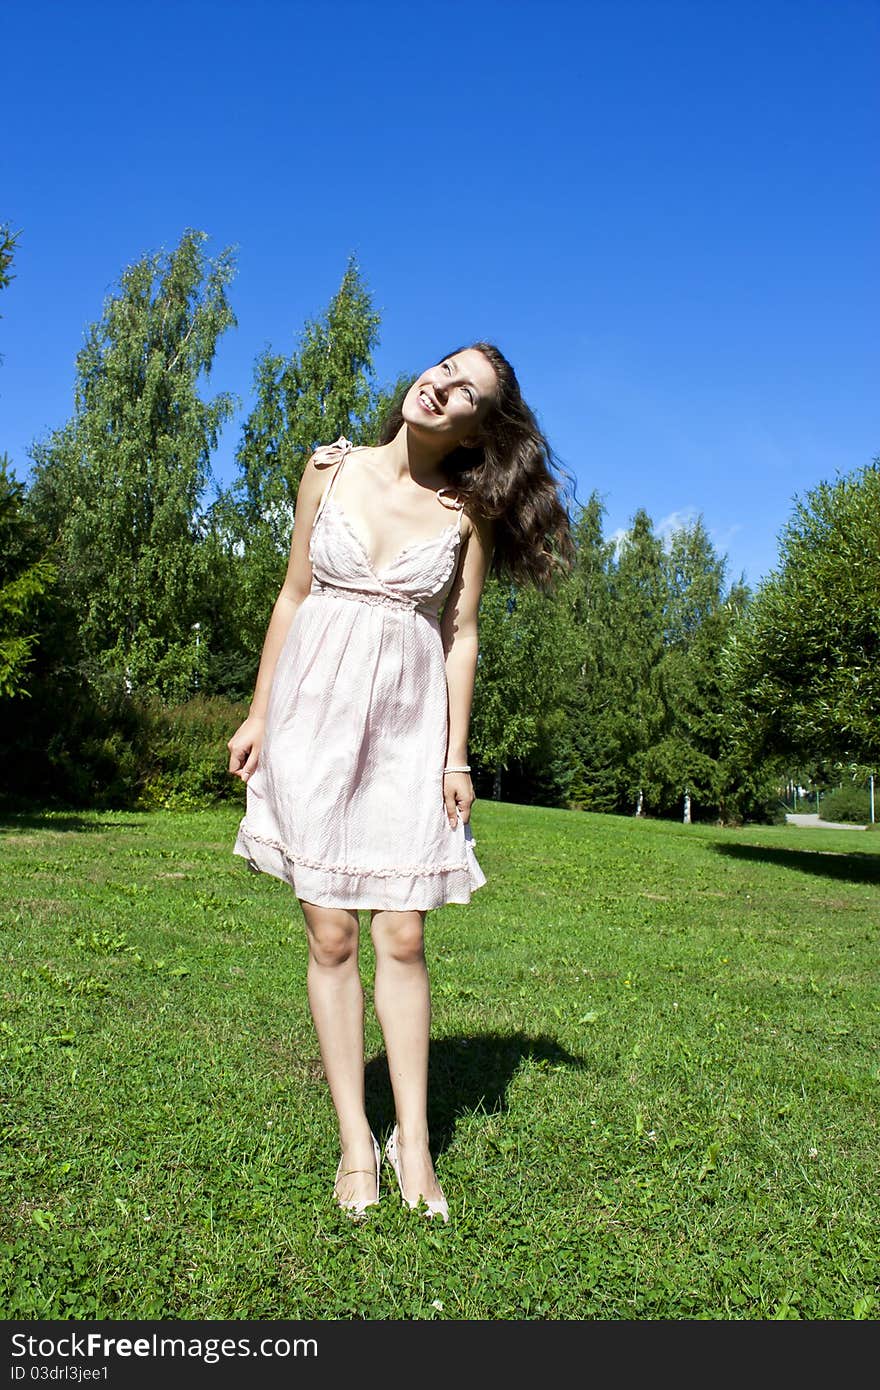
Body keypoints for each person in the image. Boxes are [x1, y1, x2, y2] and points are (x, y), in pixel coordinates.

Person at [227, 341, 574, 1222]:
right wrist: (259, 714)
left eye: (466, 391)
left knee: (406, 936)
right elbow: (293, 594)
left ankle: (412, 1139)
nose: (441, 385)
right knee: (332, 935)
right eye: (443, 368)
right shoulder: (328, 470)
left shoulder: (467, 512)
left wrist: (456, 756)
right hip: (313, 716)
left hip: (407, 730)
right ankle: (356, 1145)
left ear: (477, 426)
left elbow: (461, 636)